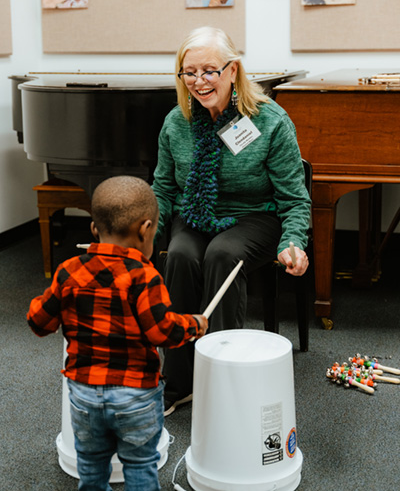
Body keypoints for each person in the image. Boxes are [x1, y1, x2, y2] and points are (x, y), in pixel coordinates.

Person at [152, 26, 311, 416]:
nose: (199, 81)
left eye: (210, 70)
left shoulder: (270, 120)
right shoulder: (176, 122)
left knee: (222, 255)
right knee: (180, 255)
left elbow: (293, 196)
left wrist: (294, 241)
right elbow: (163, 190)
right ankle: (178, 381)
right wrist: (136, 245)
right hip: (195, 212)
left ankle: (221, 378)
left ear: (233, 70)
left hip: (255, 215)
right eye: (189, 72)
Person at [27, 176, 208, 491]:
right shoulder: (145, 276)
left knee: (92, 469)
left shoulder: (69, 271)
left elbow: (39, 322)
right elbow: (161, 332)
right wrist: (194, 325)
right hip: (135, 394)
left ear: (94, 229)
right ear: (145, 229)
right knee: (140, 467)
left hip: (83, 393)